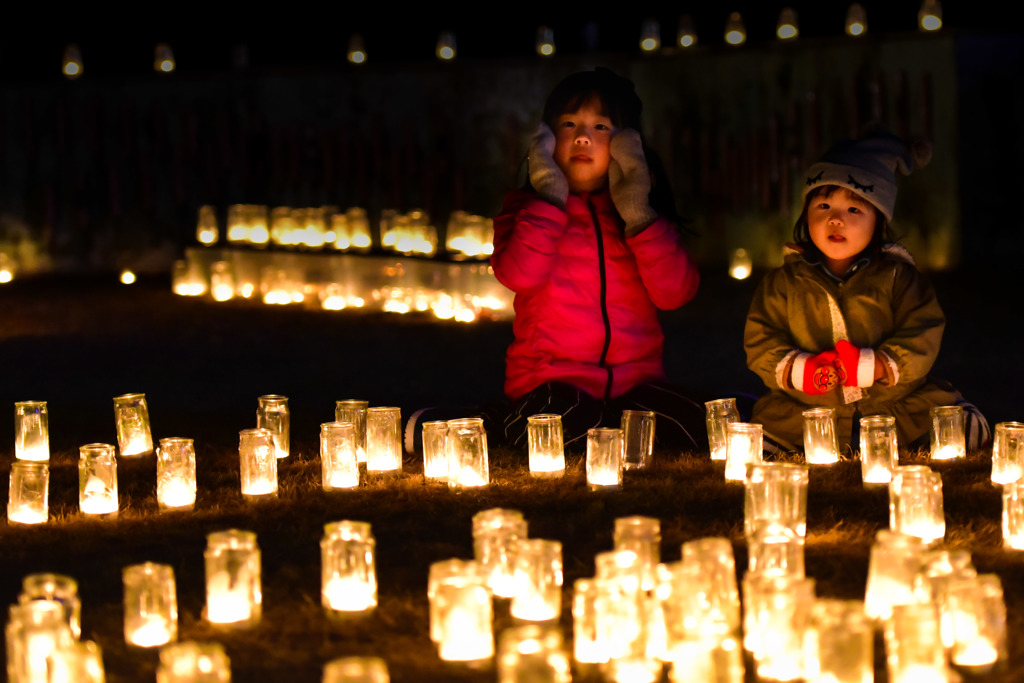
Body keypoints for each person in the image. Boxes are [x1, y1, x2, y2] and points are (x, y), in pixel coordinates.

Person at [488, 68, 706, 451]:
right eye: (569, 124)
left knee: (696, 424)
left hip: (633, 387)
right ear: (545, 141)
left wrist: (639, 214)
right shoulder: (525, 211)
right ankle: (497, 421)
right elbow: (518, 274)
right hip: (552, 385)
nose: (583, 137)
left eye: (601, 127)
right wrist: (550, 201)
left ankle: (607, 428)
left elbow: (675, 293)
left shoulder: (639, 216)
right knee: (563, 427)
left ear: (628, 144)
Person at [744, 129, 990, 453]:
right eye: (824, 205)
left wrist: (877, 365)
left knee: (952, 429)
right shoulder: (784, 282)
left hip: (894, 403)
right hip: (807, 407)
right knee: (762, 441)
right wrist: (799, 369)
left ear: (879, 221)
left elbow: (923, 331)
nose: (835, 219)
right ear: (806, 213)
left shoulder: (898, 278)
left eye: (854, 210)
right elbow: (761, 338)